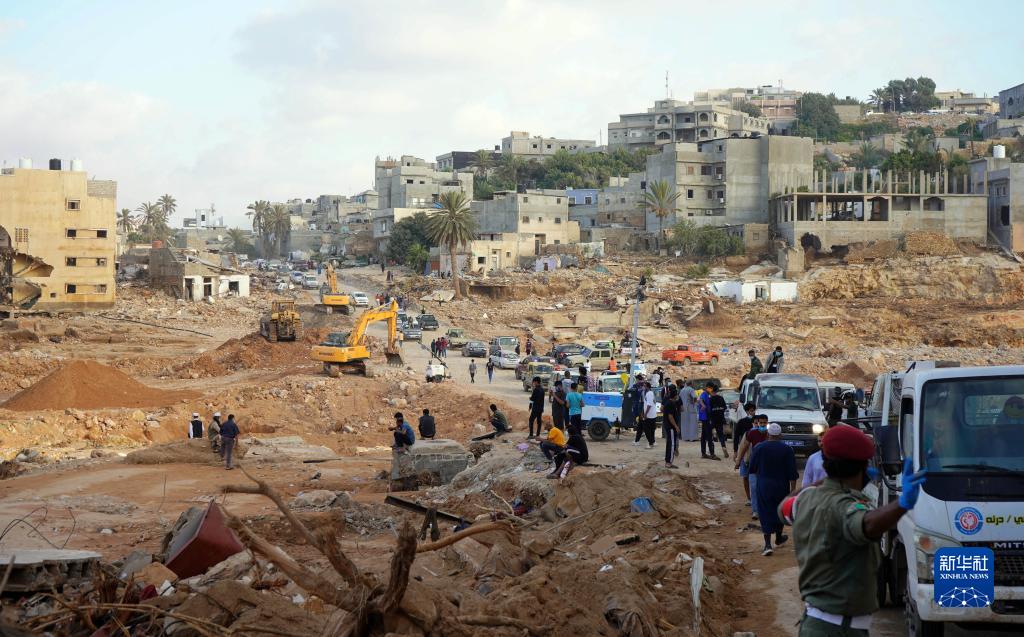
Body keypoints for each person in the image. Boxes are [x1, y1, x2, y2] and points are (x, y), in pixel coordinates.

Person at [781, 424, 925, 636]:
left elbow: (783, 507)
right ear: (863, 467)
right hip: (840, 630)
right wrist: (902, 504)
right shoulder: (844, 506)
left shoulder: (808, 499)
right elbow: (866, 524)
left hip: (817, 623)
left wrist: (825, 480)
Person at [748, 422, 798, 555]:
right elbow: (792, 473)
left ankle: (767, 545)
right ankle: (779, 537)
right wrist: (792, 491)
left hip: (764, 484)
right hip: (781, 485)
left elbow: (752, 468)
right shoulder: (787, 449)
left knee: (765, 512)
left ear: (768, 434)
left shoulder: (759, 448)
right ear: (780, 435)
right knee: (779, 510)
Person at [735, 414, 769, 518]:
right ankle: (755, 511)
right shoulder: (752, 433)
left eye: (764, 423)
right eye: (761, 423)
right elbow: (744, 447)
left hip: (766, 466)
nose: (762, 425)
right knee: (754, 488)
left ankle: (764, 509)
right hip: (753, 465)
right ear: (757, 423)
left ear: (767, 423)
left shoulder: (770, 434)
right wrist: (739, 461)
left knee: (764, 489)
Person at [707, 383, 729, 458]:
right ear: (717, 391)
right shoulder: (721, 398)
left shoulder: (710, 399)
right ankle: (723, 446)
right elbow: (725, 407)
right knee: (721, 434)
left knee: (709, 434)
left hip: (712, 419)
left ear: (711, 390)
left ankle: (711, 450)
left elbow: (708, 410)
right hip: (720, 418)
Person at [633, 381, 657, 449]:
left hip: (649, 415)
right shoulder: (649, 393)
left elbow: (649, 405)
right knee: (643, 427)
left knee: (647, 430)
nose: (643, 387)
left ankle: (651, 443)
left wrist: (645, 414)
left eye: (644, 386)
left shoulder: (649, 394)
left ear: (647, 387)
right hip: (650, 414)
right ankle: (639, 441)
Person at [663, 384, 681, 468]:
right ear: (675, 396)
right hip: (671, 427)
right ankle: (669, 462)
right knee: (672, 444)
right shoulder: (671, 404)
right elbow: (670, 417)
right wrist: (676, 426)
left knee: (669, 443)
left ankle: (668, 461)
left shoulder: (670, 402)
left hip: (669, 426)